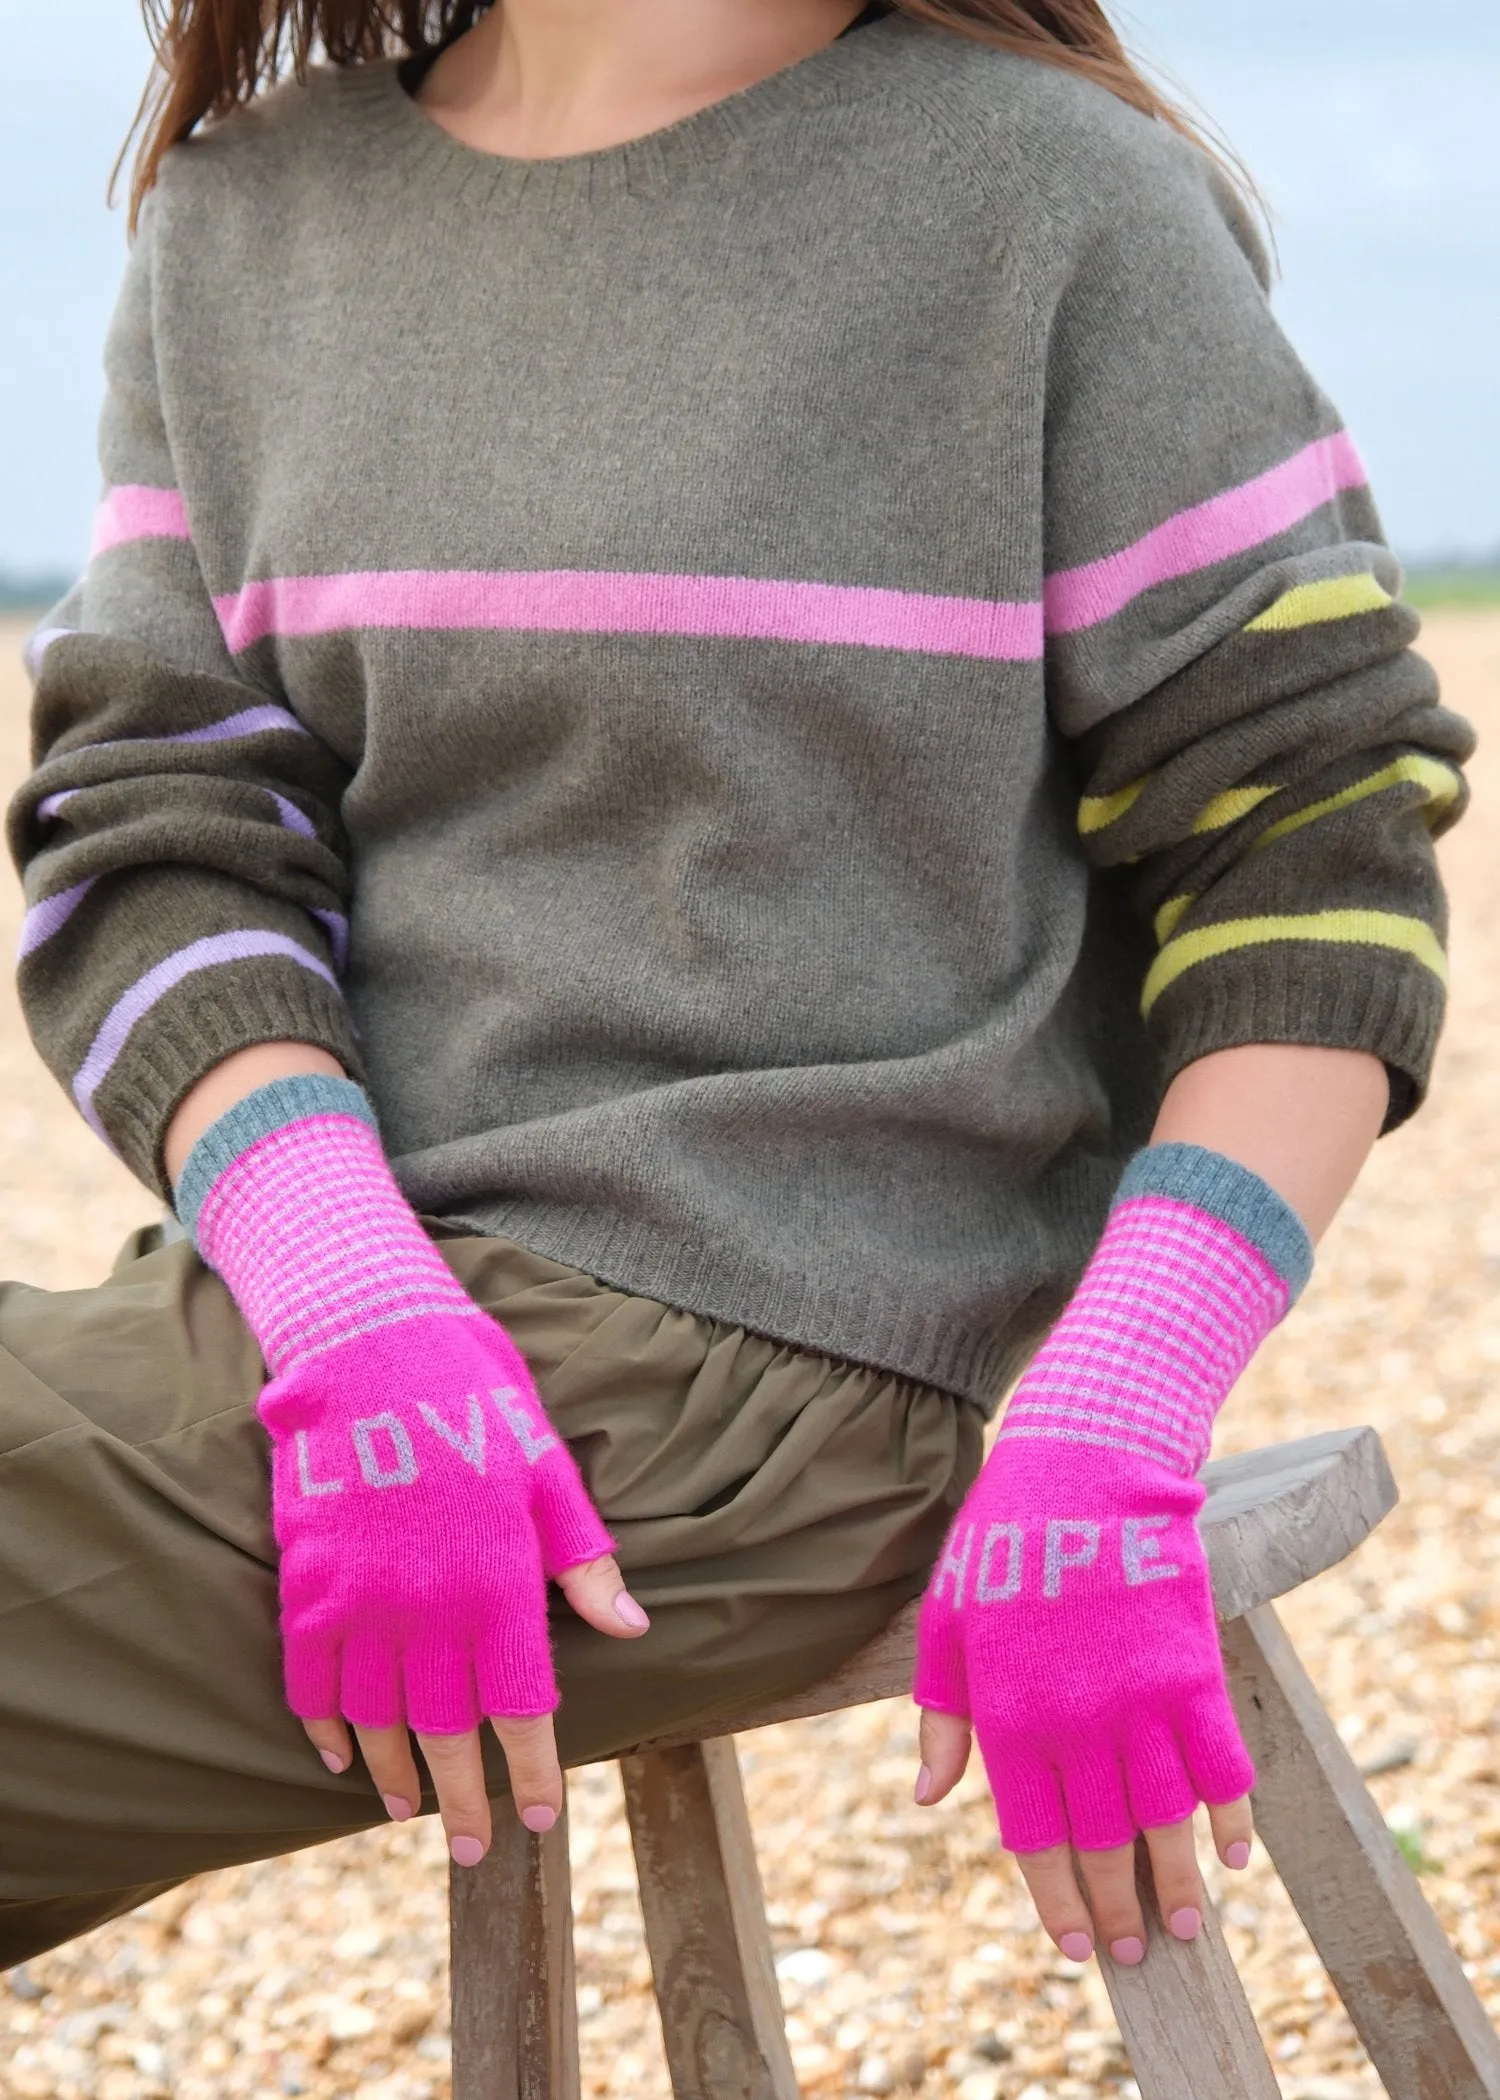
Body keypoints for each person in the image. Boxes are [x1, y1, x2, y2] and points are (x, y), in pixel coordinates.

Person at [3, 0, 1471, 1980]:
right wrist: (348, 1305)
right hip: (324, 1319)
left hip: (738, 1374)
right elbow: (155, 832)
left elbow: (1305, 855)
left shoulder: (1047, 199)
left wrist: (1109, 1419)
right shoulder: (246, 218)